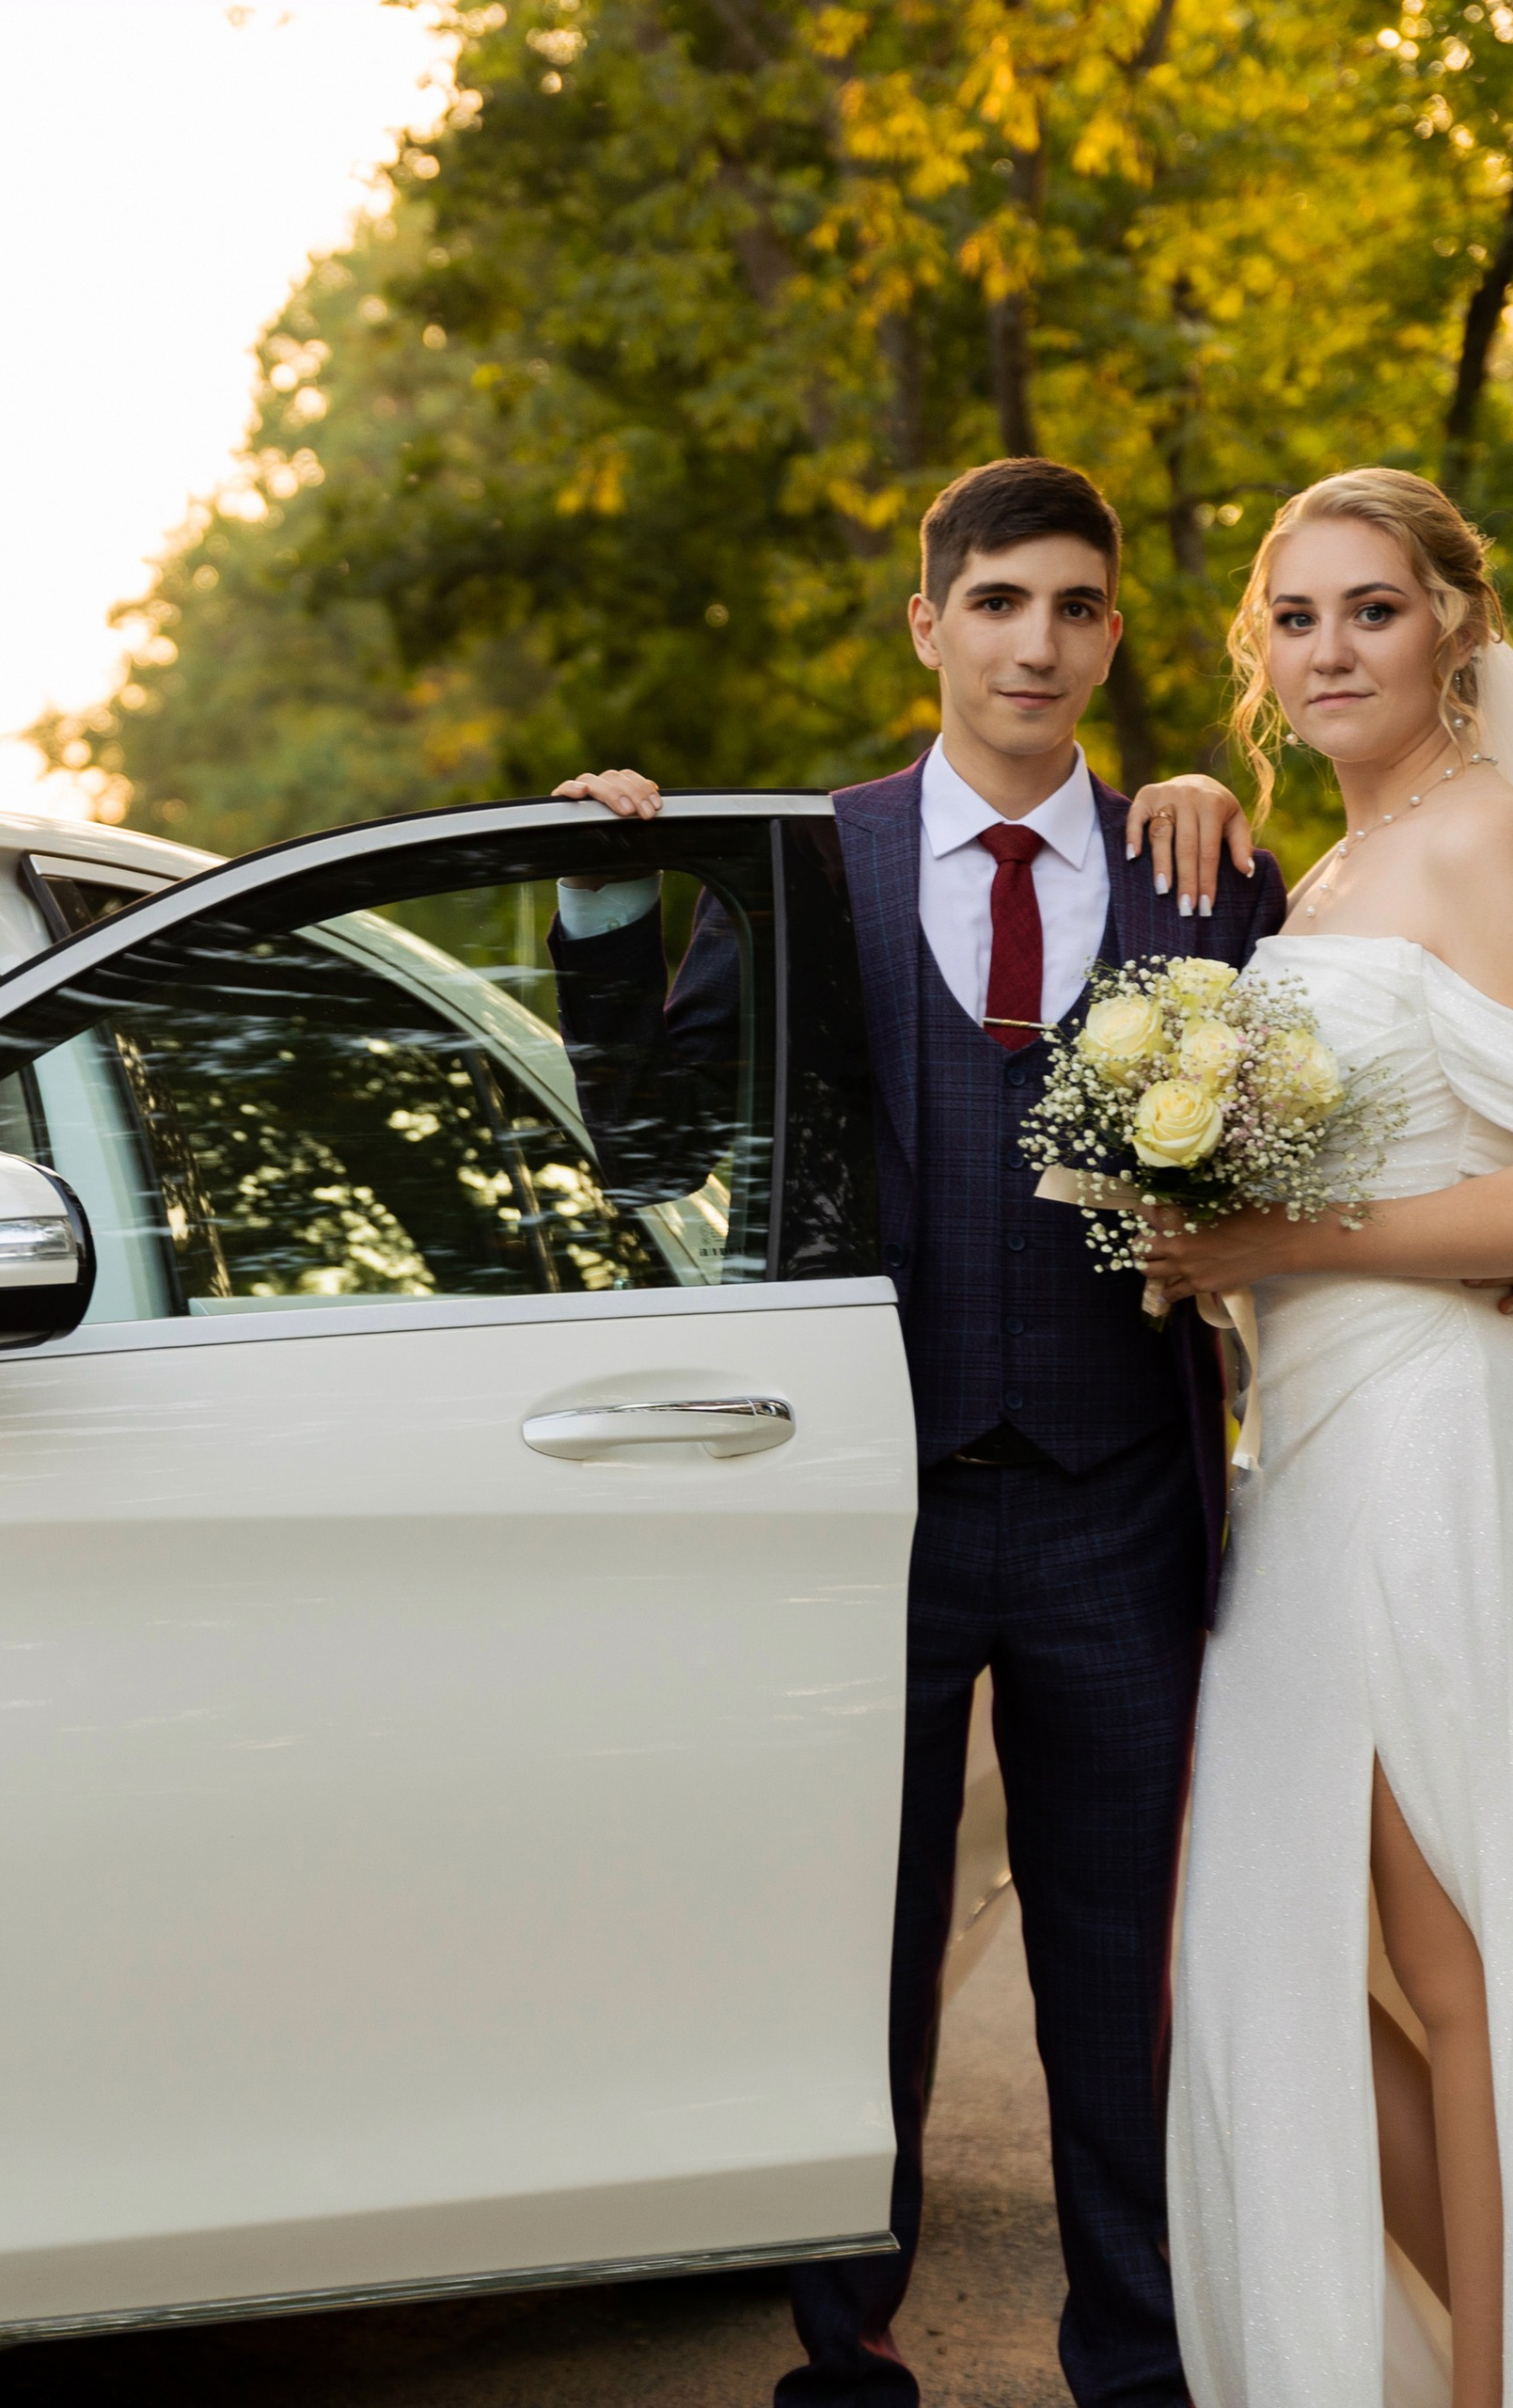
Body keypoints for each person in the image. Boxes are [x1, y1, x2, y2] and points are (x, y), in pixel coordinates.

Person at [550, 453, 1283, 2408]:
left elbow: (1304, 1149)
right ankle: (839, 2357)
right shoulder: (810, 859)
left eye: (1070, 606)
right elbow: (639, 1129)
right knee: (845, 1955)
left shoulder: (1193, 867)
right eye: (995, 603)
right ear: (927, 625)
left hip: (1115, 1499)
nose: (1031, 641)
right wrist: (608, 896)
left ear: (1110, 633)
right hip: (853, 1508)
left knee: (1114, 1970)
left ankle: (1134, 2359)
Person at [1141, 467, 1513, 2408]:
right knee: (1264, 1944)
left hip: (1426, 1445)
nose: (1330, 647)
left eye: (1371, 607)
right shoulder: (1318, 876)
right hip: (1288, 1463)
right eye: (1295, 617)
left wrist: (1258, 1232)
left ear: (1450, 617)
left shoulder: (1489, 829)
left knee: (1456, 1972)